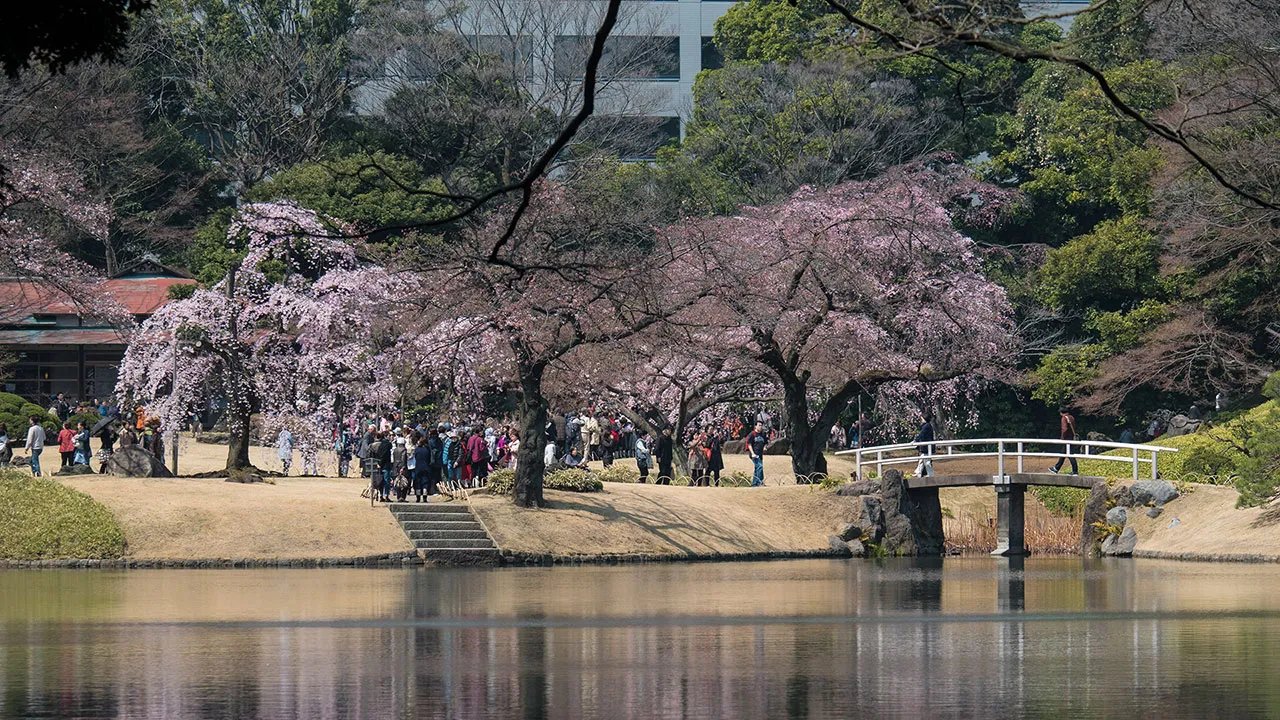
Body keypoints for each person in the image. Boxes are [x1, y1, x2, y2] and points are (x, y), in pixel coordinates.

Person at [1049, 406, 1079, 475]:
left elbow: (1064, 429)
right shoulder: (1071, 417)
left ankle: (1075, 471)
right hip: (1071, 438)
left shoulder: (1064, 418)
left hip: (1066, 439)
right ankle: (1056, 468)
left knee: (1070, 454)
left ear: (1061, 412)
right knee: (1063, 453)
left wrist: (1062, 438)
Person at [913, 411, 935, 477]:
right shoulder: (927, 426)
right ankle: (918, 472)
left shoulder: (926, 426)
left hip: (927, 447)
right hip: (926, 447)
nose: (921, 420)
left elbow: (921, 435)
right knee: (921, 460)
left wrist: (915, 441)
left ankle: (930, 474)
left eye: (922, 418)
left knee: (927, 462)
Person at [746, 422, 768, 486]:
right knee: (760, 466)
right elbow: (749, 444)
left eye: (761, 425)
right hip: (754, 454)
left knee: (757, 468)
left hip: (760, 454)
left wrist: (765, 447)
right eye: (759, 425)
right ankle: (759, 482)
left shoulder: (763, 434)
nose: (760, 427)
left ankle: (754, 483)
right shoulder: (752, 434)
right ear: (755, 426)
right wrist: (752, 453)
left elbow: (766, 442)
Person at [412, 436, 432, 503]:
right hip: (426, 467)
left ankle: (418, 497)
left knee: (418, 482)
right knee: (425, 482)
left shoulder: (417, 449)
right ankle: (425, 497)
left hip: (418, 467)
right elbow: (429, 459)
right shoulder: (427, 450)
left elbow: (415, 457)